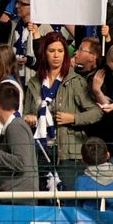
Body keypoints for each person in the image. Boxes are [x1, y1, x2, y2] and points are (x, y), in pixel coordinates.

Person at [23, 31, 101, 190]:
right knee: (44, 201)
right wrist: (29, 118)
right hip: (41, 151)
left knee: (68, 200)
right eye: (51, 51)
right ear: (44, 53)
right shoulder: (34, 82)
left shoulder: (75, 82)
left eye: (60, 51)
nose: (56, 55)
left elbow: (96, 112)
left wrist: (73, 118)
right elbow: (26, 113)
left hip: (68, 153)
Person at [74, 137, 113, 213]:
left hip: (90, 222)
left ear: (83, 160)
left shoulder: (81, 182)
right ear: (108, 155)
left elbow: (76, 209)